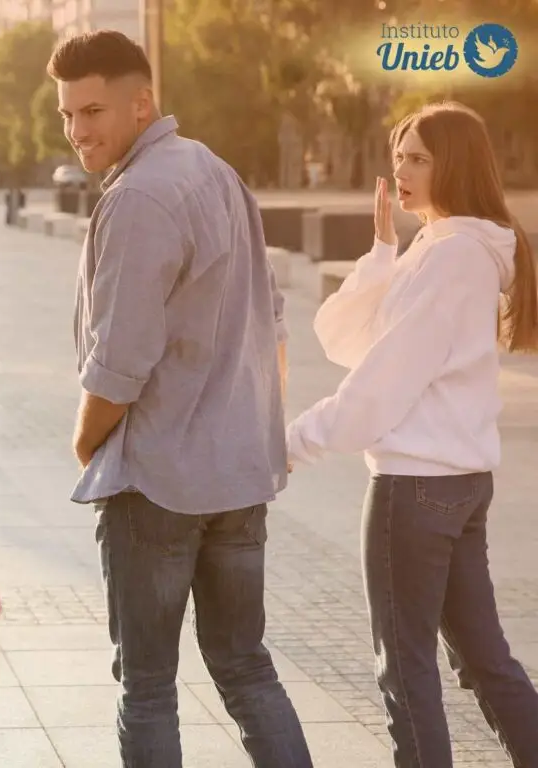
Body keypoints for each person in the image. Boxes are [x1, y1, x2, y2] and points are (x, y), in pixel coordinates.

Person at [47, 30, 313, 768]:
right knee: (246, 669)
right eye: (67, 115)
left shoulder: (139, 197)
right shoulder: (218, 173)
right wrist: (248, 423)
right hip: (236, 479)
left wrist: (86, 443)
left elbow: (119, 362)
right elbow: (273, 323)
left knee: (148, 689)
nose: (78, 130)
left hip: (158, 484)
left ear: (143, 103)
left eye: (93, 110)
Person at [286, 101, 538, 767]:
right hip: (457, 485)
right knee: (486, 663)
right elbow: (346, 340)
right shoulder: (448, 247)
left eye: (419, 156)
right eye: (398, 153)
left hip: (418, 488)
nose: (401, 168)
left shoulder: (454, 256)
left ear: (454, 164)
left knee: (407, 669)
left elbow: (381, 381)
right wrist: (381, 252)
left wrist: (288, 445)